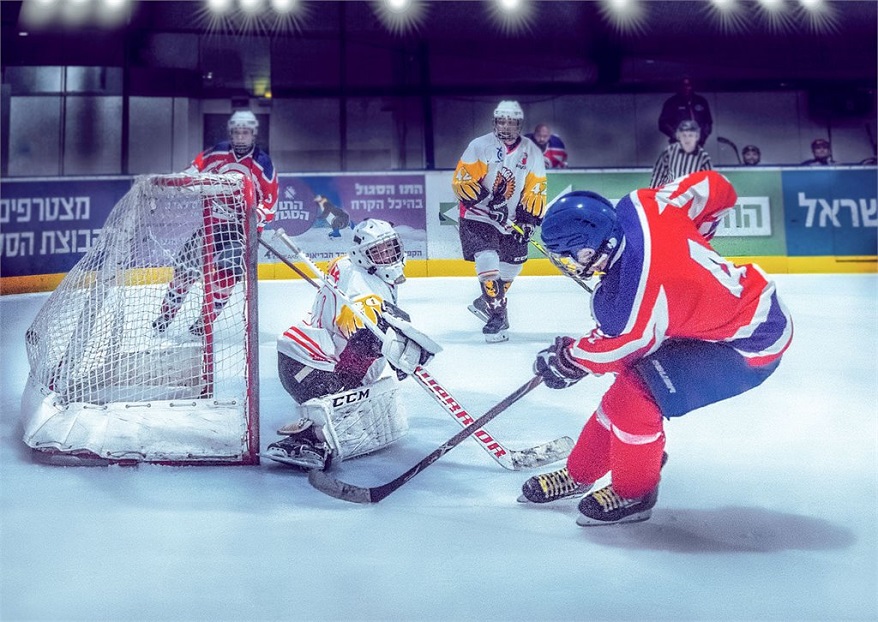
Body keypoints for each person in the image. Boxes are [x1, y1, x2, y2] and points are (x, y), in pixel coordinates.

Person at [518, 171, 793, 526]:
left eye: (570, 256)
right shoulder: (640, 205)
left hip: (751, 343)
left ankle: (634, 492)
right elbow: (715, 187)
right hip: (731, 314)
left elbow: (618, 350)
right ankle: (580, 472)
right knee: (628, 389)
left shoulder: (638, 300)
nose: (569, 264)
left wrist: (569, 359)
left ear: (589, 249)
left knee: (637, 395)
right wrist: (697, 245)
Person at [265, 219, 439, 471]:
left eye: (391, 248)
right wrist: (376, 325)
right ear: (362, 256)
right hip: (308, 369)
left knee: (364, 364)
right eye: (378, 252)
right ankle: (307, 440)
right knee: (365, 344)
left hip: (317, 364)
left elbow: (341, 272)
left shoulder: (354, 269)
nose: (388, 256)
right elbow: (355, 319)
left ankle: (326, 419)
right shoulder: (359, 280)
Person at [153, 110, 278, 335]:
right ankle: (164, 318)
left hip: (243, 232)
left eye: (245, 133)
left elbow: (270, 204)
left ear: (253, 134)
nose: (241, 137)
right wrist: (175, 180)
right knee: (185, 270)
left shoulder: (263, 163)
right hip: (212, 226)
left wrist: (252, 217)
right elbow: (192, 172)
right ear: (231, 133)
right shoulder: (216, 153)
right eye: (237, 132)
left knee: (226, 274)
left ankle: (203, 324)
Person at [451, 100, 548, 343]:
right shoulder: (479, 146)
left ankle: (487, 301)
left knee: (513, 264)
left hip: (512, 217)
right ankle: (497, 314)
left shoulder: (531, 152)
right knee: (487, 258)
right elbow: (462, 181)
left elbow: (535, 187)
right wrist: (489, 202)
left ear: (519, 124)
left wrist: (526, 220)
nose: (506, 126)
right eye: (501, 121)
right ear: (495, 122)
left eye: (512, 122)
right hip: (477, 215)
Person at [649, 120, 712, 188]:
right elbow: (658, 174)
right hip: (671, 193)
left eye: (690, 135)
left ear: (697, 136)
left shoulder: (703, 157)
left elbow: (710, 181)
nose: (687, 139)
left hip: (693, 194)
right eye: (684, 135)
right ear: (678, 136)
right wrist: (653, 193)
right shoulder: (669, 152)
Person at [658, 77, 713, 147]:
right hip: (678, 144)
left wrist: (702, 138)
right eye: (683, 85)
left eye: (688, 85)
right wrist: (676, 135)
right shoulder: (671, 102)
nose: (686, 88)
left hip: (698, 144)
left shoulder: (701, 101)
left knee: (697, 158)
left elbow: (708, 123)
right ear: (679, 87)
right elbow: (662, 123)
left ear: (692, 86)